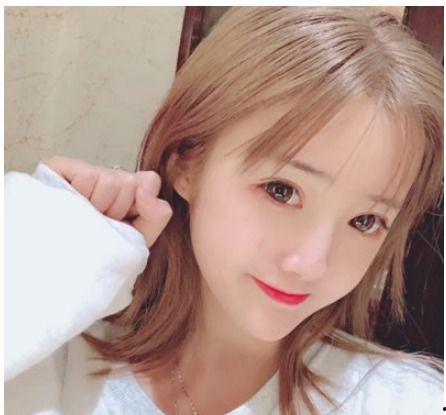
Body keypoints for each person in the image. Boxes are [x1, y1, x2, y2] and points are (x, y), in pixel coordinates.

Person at [5, 6, 443, 415]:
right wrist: (55, 236)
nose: (310, 265)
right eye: (281, 190)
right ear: (186, 161)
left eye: (365, 221)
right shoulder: (51, 350)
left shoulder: (401, 402)